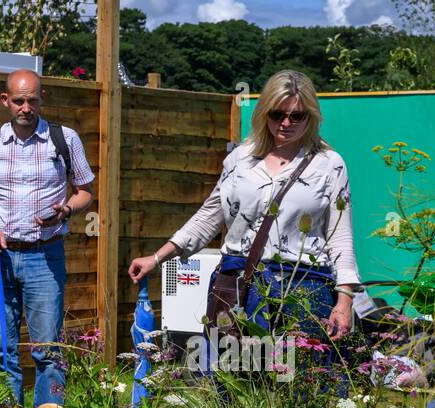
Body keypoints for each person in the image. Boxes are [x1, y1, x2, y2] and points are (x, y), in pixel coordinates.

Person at [127, 70, 363, 376]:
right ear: (264, 112)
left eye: (297, 116)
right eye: (278, 114)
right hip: (239, 287)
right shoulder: (240, 160)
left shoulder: (329, 165)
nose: (286, 123)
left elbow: (340, 237)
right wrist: (157, 257)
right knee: (239, 386)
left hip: (302, 288)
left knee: (301, 389)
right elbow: (208, 217)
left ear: (311, 117)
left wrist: (344, 300)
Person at [0, 69, 95, 408]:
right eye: (19, 101)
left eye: (32, 101)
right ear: (5, 101)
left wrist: (65, 210)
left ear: (42, 99)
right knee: (1, 349)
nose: (26, 107)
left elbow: (85, 193)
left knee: (48, 350)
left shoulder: (64, 138)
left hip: (44, 256)